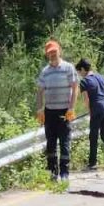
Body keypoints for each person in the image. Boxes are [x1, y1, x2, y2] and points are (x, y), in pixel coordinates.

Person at [35, 40, 78, 180]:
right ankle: (53, 172)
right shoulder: (45, 72)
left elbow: (75, 88)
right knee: (51, 143)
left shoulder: (68, 67)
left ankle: (64, 173)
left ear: (59, 51)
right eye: (49, 53)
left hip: (65, 111)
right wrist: (40, 109)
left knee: (64, 142)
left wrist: (71, 108)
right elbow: (40, 91)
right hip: (50, 112)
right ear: (47, 55)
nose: (52, 54)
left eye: (54, 51)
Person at [75, 58, 104, 169]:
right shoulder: (100, 76)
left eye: (79, 72)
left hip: (97, 110)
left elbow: (86, 100)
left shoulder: (84, 81)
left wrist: (90, 111)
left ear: (83, 69)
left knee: (93, 136)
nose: (80, 74)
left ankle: (93, 163)